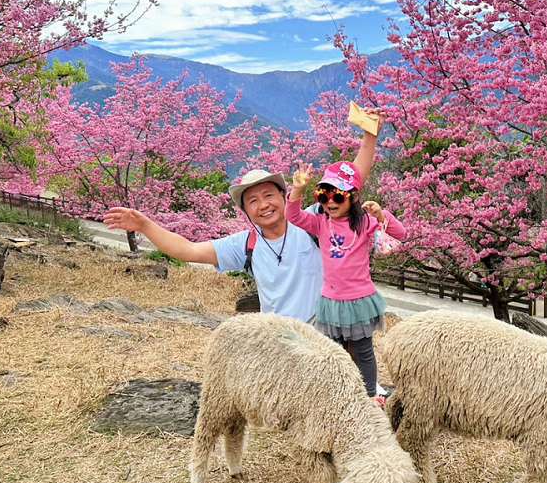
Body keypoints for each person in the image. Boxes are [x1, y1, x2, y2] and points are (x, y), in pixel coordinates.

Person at [101, 108, 383, 323]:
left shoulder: (314, 222)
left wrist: (369, 136)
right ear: (246, 210)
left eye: (269, 195)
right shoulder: (246, 244)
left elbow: (352, 178)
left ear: (284, 198)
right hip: (282, 343)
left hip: (327, 334)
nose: (263, 205)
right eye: (253, 201)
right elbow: (187, 250)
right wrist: (145, 225)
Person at [285, 162, 406, 407]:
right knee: (333, 351)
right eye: (323, 195)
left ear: (352, 197)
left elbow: (400, 234)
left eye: (338, 195)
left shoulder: (364, 223)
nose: (330, 201)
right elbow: (293, 216)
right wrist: (297, 190)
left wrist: (382, 216)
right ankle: (337, 395)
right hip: (330, 301)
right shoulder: (321, 222)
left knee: (362, 351)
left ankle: (370, 396)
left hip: (359, 300)